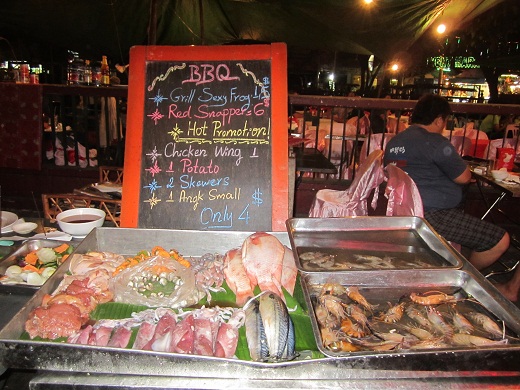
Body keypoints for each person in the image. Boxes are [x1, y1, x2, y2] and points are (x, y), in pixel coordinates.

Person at [384, 94, 519, 302]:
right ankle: (465, 280)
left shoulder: (395, 141)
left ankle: (456, 271)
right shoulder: (435, 142)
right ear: (439, 119)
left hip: (408, 211)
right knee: (500, 240)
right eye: (444, 121)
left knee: (471, 232)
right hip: (433, 214)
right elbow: (465, 177)